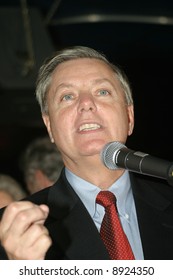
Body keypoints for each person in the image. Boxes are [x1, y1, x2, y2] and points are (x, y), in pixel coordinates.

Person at [0, 45, 173, 260]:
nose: (86, 104)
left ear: (129, 117)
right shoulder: (12, 235)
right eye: (67, 96)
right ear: (49, 126)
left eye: (102, 92)